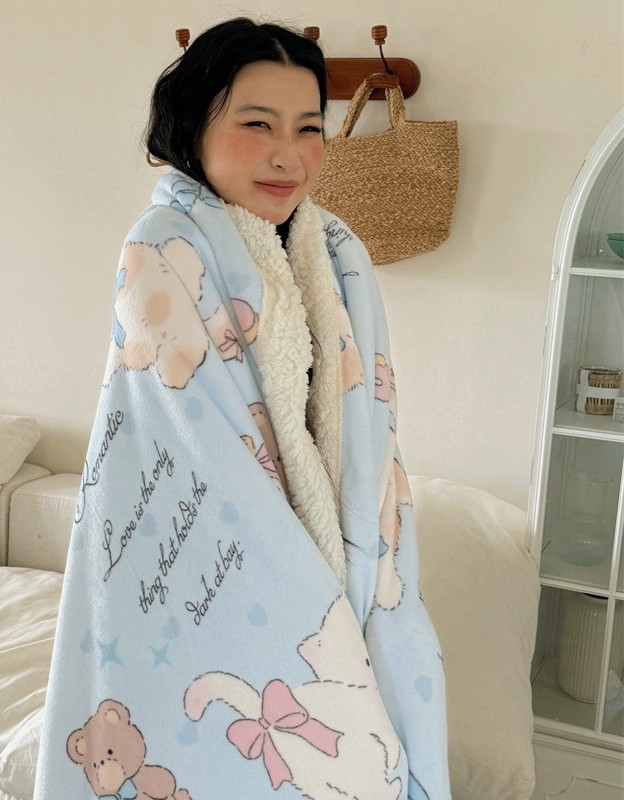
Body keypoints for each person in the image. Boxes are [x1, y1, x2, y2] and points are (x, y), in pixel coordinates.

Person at [35, 18, 449, 800]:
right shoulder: (162, 247)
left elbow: (368, 424)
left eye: (308, 128)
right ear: (194, 126)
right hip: (245, 575)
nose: (288, 153)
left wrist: (365, 570)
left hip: (348, 567)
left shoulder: (335, 249)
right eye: (257, 125)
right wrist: (318, 599)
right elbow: (200, 454)